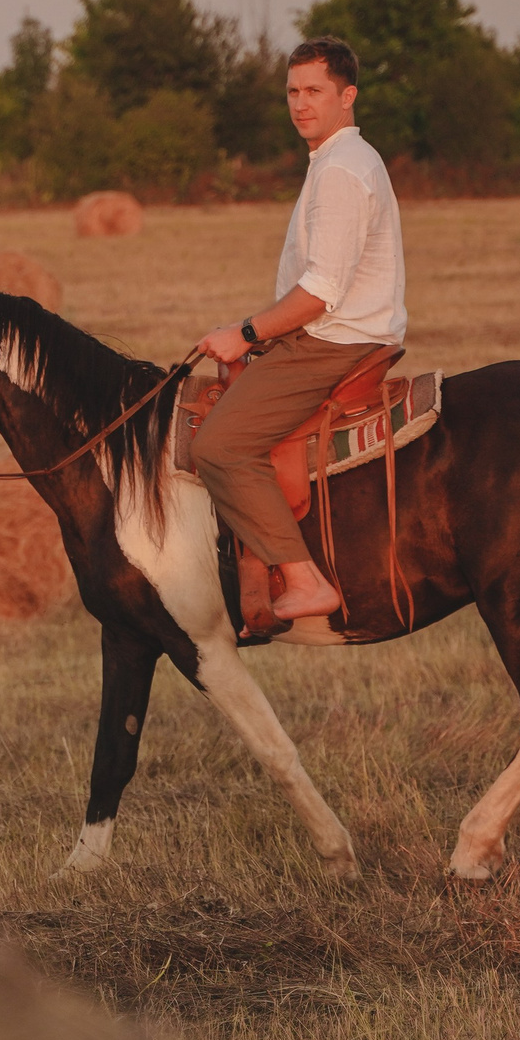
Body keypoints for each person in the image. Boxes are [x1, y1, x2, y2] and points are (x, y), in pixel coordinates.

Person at [189, 37, 407, 621]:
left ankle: (307, 581)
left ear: (348, 96)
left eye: (315, 91)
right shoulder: (341, 161)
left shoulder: (340, 170)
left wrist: (246, 332)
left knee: (220, 445)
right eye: (292, 91)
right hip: (336, 334)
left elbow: (321, 293)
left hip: (333, 341)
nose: (300, 103)